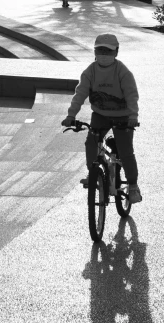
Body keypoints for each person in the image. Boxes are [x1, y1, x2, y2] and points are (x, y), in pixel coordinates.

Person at [61, 33, 142, 204]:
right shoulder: (90, 72)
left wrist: (133, 116)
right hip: (100, 115)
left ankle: (133, 186)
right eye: (100, 50)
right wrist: (71, 115)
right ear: (94, 52)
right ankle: (93, 174)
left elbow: (131, 95)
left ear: (116, 52)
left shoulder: (123, 72)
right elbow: (80, 93)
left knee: (126, 152)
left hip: (123, 117)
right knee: (91, 142)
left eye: (108, 51)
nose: (104, 54)